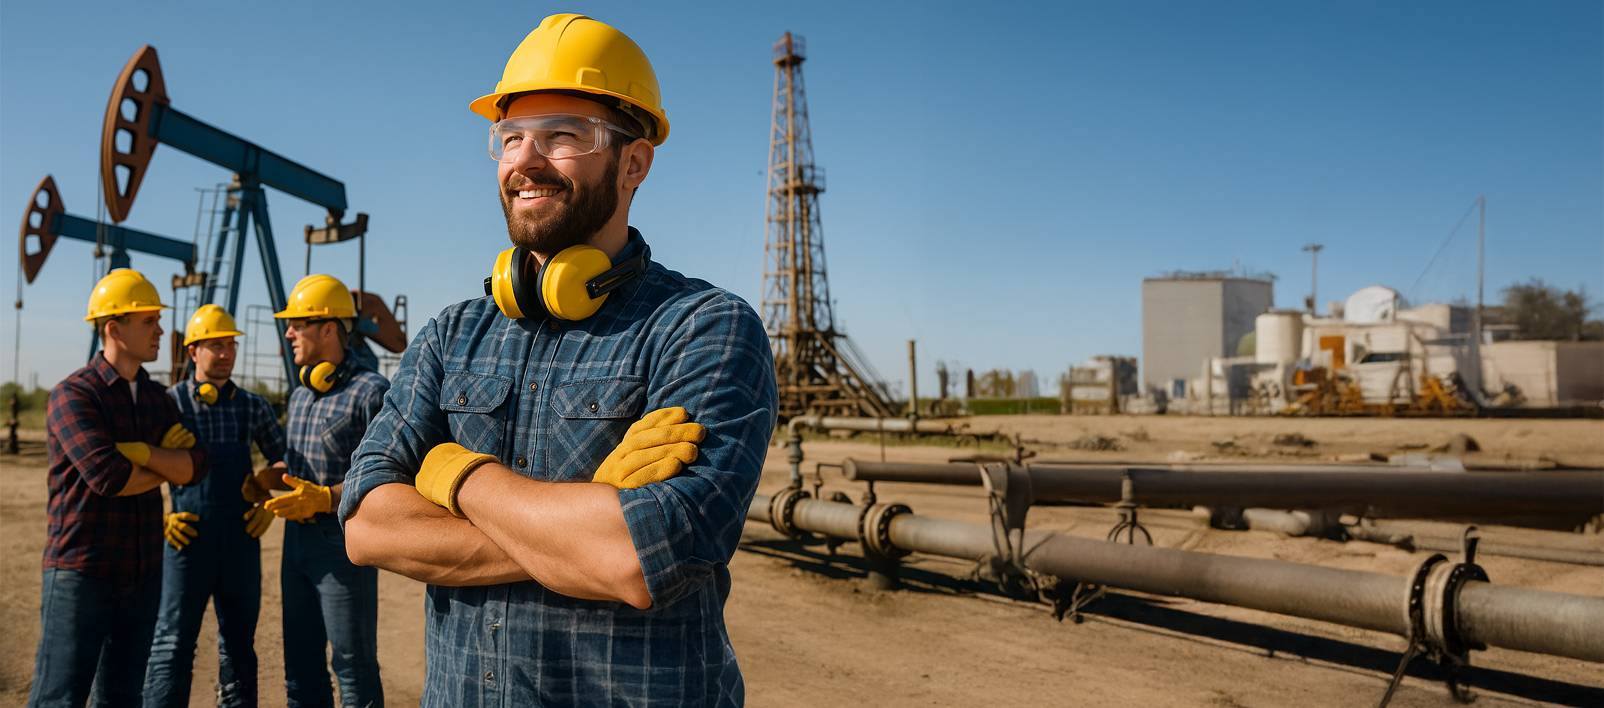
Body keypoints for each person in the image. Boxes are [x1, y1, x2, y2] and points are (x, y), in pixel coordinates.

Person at [340, 13, 777, 707]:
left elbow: (636, 560)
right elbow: (366, 527)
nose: (524, 160)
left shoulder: (704, 329)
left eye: (562, 136)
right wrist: (576, 528)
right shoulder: (453, 335)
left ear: (633, 163)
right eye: (510, 137)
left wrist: (455, 474)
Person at [29, 268, 207, 707]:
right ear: (113, 328)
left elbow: (197, 467)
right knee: (61, 697)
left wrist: (143, 454)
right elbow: (108, 478)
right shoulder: (73, 396)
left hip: (142, 573)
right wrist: (166, 462)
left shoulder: (155, 398)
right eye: (149, 321)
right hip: (80, 572)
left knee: (123, 696)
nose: (162, 330)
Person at [254, 274, 389, 707]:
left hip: (342, 547)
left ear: (329, 329)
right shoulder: (301, 395)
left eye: (298, 324)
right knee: (300, 663)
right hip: (296, 546)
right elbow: (294, 466)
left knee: (352, 666)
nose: (288, 333)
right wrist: (269, 479)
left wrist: (327, 497)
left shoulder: (371, 392)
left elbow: (388, 477)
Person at [142, 304, 286, 707]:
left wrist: (266, 496)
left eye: (229, 345)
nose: (225, 354)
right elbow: (141, 465)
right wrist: (162, 518)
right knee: (171, 642)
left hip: (240, 540)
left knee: (239, 643)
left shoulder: (252, 406)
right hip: (186, 540)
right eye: (214, 346)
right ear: (193, 353)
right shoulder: (170, 404)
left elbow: (283, 459)